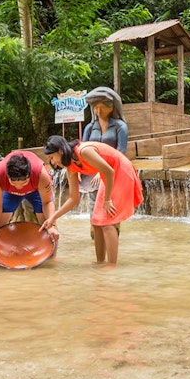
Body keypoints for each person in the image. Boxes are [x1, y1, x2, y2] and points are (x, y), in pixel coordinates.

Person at [41, 136, 143, 266]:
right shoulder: (71, 167)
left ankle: (112, 266)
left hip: (120, 170)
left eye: (51, 157)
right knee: (96, 221)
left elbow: (109, 171)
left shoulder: (84, 151)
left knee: (107, 221)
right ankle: (100, 262)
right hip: (108, 176)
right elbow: (73, 199)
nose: (53, 162)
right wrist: (52, 218)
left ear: (60, 151)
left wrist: (107, 200)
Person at [82, 86, 129, 261]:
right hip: (91, 178)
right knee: (94, 216)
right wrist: (84, 170)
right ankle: (99, 260)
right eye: (96, 107)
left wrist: (102, 171)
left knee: (110, 216)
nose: (98, 111)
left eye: (102, 107)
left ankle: (112, 259)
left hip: (113, 176)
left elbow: (120, 153)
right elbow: (83, 149)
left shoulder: (120, 127)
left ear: (112, 107)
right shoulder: (89, 128)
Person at [0, 150, 60, 248]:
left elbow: (47, 202)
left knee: (48, 229)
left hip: (35, 191)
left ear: (29, 175)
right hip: (10, 193)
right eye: (14, 183)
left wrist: (51, 226)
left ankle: (52, 259)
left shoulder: (41, 174)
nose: (19, 187)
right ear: (7, 176)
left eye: (24, 182)